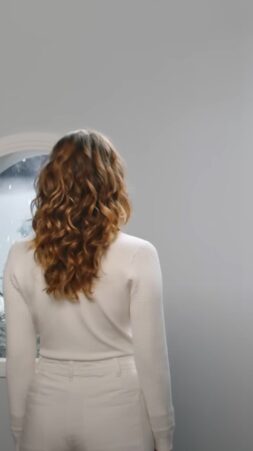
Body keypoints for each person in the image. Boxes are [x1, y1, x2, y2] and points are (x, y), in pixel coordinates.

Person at [4, 130, 175, 451]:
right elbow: (152, 355)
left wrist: (18, 426)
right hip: (118, 404)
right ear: (111, 181)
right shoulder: (139, 254)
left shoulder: (19, 256)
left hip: (46, 405)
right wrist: (164, 433)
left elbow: (20, 355)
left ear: (50, 181)